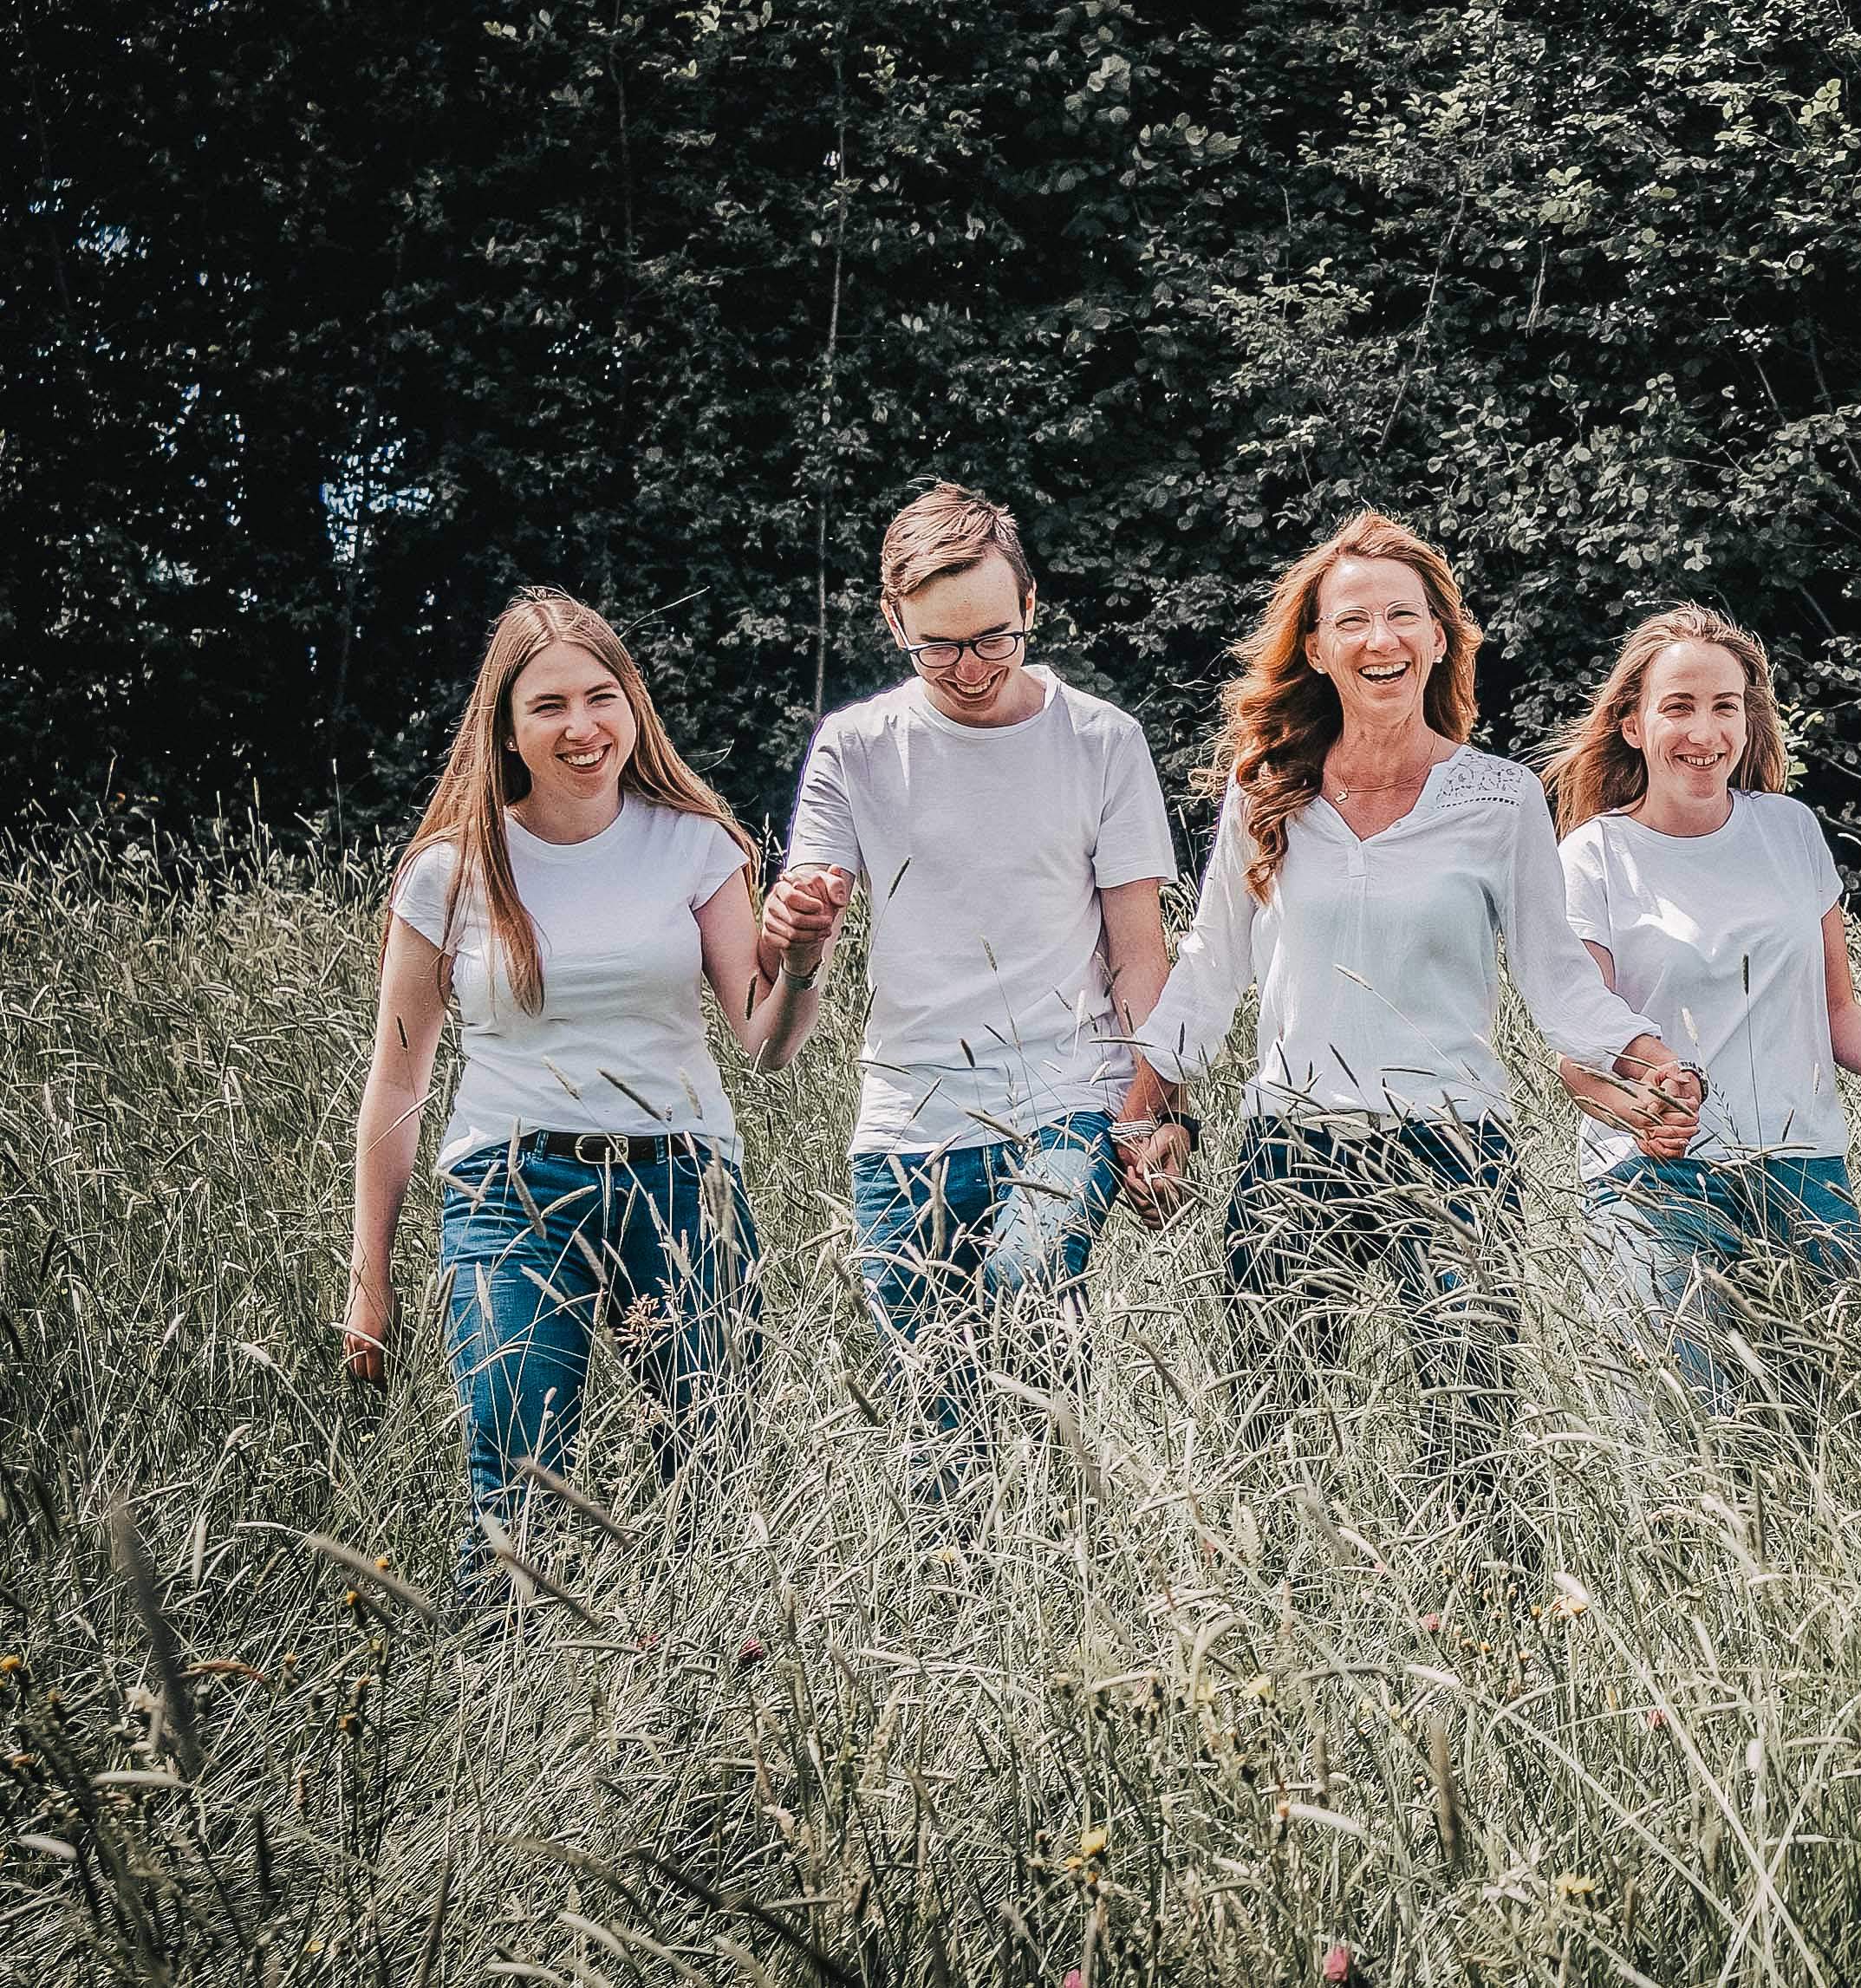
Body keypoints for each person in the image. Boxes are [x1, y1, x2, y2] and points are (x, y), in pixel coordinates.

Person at [1112, 513, 1698, 1539]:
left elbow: (1558, 981)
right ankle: (1275, 1656)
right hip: (1291, 1151)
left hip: (1455, 1150)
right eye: (1354, 621)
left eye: (1402, 617)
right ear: (1318, 648)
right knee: (1275, 1441)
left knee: (1469, 1443)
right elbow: (1210, 971)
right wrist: (1145, 1115)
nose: (1379, 639)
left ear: (1438, 639)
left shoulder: (1499, 797)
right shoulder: (1267, 795)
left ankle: (1488, 1651)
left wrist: (1650, 1060)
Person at [342, 589, 771, 1602]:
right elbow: (398, 1079)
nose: (582, 727)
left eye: (600, 695)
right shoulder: (450, 872)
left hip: (681, 1184)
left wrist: (804, 957)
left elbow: (764, 1037)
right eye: (548, 707)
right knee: (516, 1486)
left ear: (633, 702)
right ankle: (496, 1720)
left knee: (717, 1472)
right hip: (509, 1195)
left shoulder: (697, 843)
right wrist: (371, 1275)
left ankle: (706, 1707)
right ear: (508, 729)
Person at [752, 482, 1177, 1504]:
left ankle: (1064, 1541)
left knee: (1028, 1297)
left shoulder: (1101, 739)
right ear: (892, 621)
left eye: (994, 639)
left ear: (1031, 603)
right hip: (905, 1123)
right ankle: (981, 1606)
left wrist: (1158, 1114)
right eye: (937, 648)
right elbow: (813, 913)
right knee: (938, 1416)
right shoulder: (857, 747)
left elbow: (1138, 949)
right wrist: (796, 930)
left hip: (1065, 1102)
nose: (972, 670)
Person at [1543, 606, 1861, 1427]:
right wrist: (1644, 1107)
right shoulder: (1592, 856)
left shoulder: (1790, 830)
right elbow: (1576, 1051)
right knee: (1682, 1443)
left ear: (1748, 719)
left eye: (1725, 706)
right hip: (1651, 1183)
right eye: (1678, 707)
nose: (1703, 732)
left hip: (1803, 1172)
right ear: (1632, 724)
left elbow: (1837, 1012)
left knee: (1829, 1441)